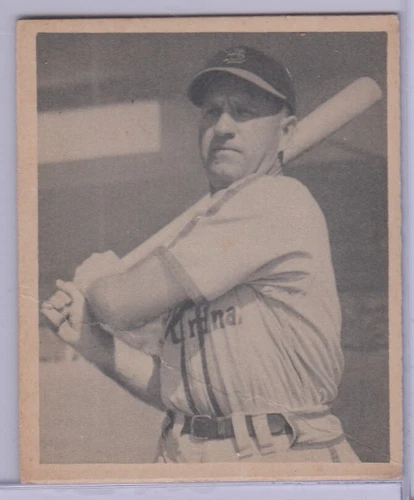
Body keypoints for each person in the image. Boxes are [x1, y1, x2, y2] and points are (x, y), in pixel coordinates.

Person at [43, 46, 360, 463]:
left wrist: (101, 279)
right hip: (186, 454)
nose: (223, 126)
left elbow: (118, 304)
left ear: (286, 133)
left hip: (280, 457)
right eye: (212, 112)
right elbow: (178, 393)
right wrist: (91, 342)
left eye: (243, 112)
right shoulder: (198, 234)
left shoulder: (276, 201)